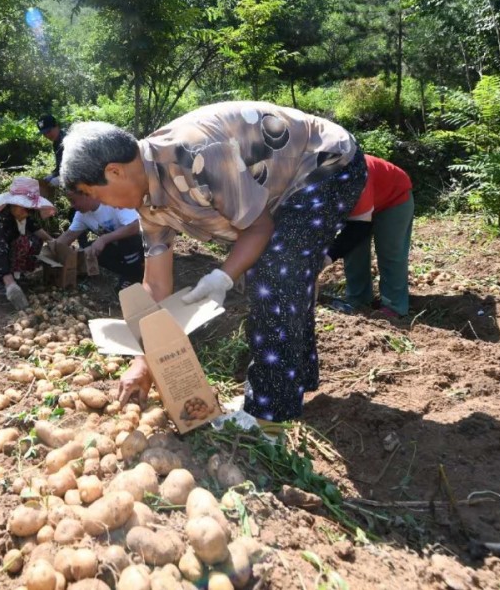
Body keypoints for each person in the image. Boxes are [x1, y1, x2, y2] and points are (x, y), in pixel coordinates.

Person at [60, 102, 368, 422]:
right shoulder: (149, 203)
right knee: (279, 274)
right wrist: (143, 361)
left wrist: (223, 277)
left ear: (114, 171)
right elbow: (156, 284)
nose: (102, 204)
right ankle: (294, 381)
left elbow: (258, 228)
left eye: (94, 194)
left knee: (274, 275)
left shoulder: (196, 155)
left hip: (325, 161)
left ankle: (268, 416)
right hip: (277, 190)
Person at [324, 154, 413, 318]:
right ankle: (358, 300)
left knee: (390, 251)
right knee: (353, 252)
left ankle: (394, 306)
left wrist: (327, 257)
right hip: (362, 203)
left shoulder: (355, 178)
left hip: (393, 199)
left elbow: (358, 227)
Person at [0, 177, 56, 310]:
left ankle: (16, 275)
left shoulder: (20, 214)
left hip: (2, 256)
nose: (27, 213)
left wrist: (52, 241)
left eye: (30, 209)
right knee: (20, 243)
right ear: (13, 204)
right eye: (24, 208)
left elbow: (35, 228)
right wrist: (9, 283)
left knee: (35, 240)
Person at [53, 189, 145, 290]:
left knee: (127, 241)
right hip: (120, 248)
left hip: (143, 243)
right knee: (91, 251)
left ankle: (134, 276)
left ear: (87, 195)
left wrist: (103, 239)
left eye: (73, 201)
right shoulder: (81, 215)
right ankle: (134, 271)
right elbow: (68, 235)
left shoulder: (113, 200)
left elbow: (134, 226)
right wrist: (50, 251)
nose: (72, 205)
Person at [37, 114, 66, 186]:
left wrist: (62, 178)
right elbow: (60, 166)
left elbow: (78, 168)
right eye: (44, 133)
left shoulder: (69, 139)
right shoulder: (56, 143)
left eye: (49, 131)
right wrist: (53, 175)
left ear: (56, 126)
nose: (47, 135)